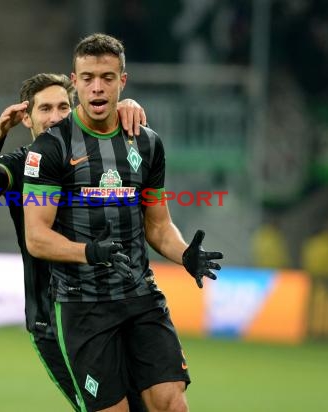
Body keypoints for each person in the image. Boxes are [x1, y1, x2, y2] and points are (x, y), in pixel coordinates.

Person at [23, 34, 223, 411]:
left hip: (140, 297)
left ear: (122, 81)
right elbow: (36, 237)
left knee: (171, 404)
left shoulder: (146, 144)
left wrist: (185, 255)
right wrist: (89, 252)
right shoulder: (50, 149)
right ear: (75, 80)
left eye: (107, 77)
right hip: (84, 307)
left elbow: (159, 226)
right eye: (87, 78)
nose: (97, 87)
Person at [0, 73, 147, 411]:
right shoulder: (23, 164)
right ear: (27, 117)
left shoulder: (99, 155)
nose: (55, 116)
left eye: (63, 106)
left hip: (110, 306)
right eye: (45, 108)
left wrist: (126, 107)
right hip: (53, 318)